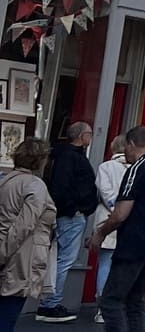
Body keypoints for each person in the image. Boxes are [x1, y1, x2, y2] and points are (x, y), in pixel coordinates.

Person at [88, 126, 145, 332]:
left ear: (132, 144)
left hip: (134, 244)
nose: (124, 151)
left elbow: (120, 214)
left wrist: (100, 233)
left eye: (126, 145)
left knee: (110, 300)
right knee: (134, 301)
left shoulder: (137, 169)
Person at [36, 122, 96, 323]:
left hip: (73, 213)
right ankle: (49, 303)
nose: (91, 137)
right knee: (64, 259)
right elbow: (62, 188)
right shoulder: (69, 157)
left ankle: (51, 301)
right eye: (89, 133)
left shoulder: (70, 156)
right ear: (81, 135)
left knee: (61, 258)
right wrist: (75, 208)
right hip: (70, 215)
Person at [0, 138, 56, 332]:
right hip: (21, 256)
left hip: (11, 251)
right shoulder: (34, 185)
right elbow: (24, 226)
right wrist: (3, 255)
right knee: (7, 317)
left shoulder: (7, 180)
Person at [91, 137, 130, 320]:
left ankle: (103, 308)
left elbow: (105, 193)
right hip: (129, 222)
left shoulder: (106, 167)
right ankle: (117, 305)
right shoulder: (134, 169)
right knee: (122, 266)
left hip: (107, 219)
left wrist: (116, 211)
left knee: (105, 264)